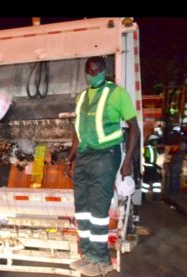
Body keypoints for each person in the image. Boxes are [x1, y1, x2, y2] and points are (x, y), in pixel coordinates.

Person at [66, 56, 140, 276]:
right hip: (84, 156)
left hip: (106, 156)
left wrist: (127, 162)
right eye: (90, 70)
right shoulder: (81, 97)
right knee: (82, 209)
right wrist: (71, 156)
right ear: (85, 72)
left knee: (98, 209)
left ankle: (101, 260)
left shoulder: (117, 93)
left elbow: (134, 128)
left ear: (104, 70)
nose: (94, 73)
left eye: (98, 69)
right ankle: (88, 255)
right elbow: (78, 129)